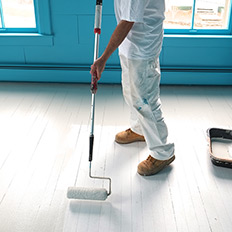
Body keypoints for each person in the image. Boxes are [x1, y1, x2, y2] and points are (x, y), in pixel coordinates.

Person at [90, 0, 175, 176]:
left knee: (145, 102)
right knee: (130, 92)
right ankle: (139, 129)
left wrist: (103, 58)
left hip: (143, 47)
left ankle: (163, 153)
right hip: (129, 44)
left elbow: (127, 21)